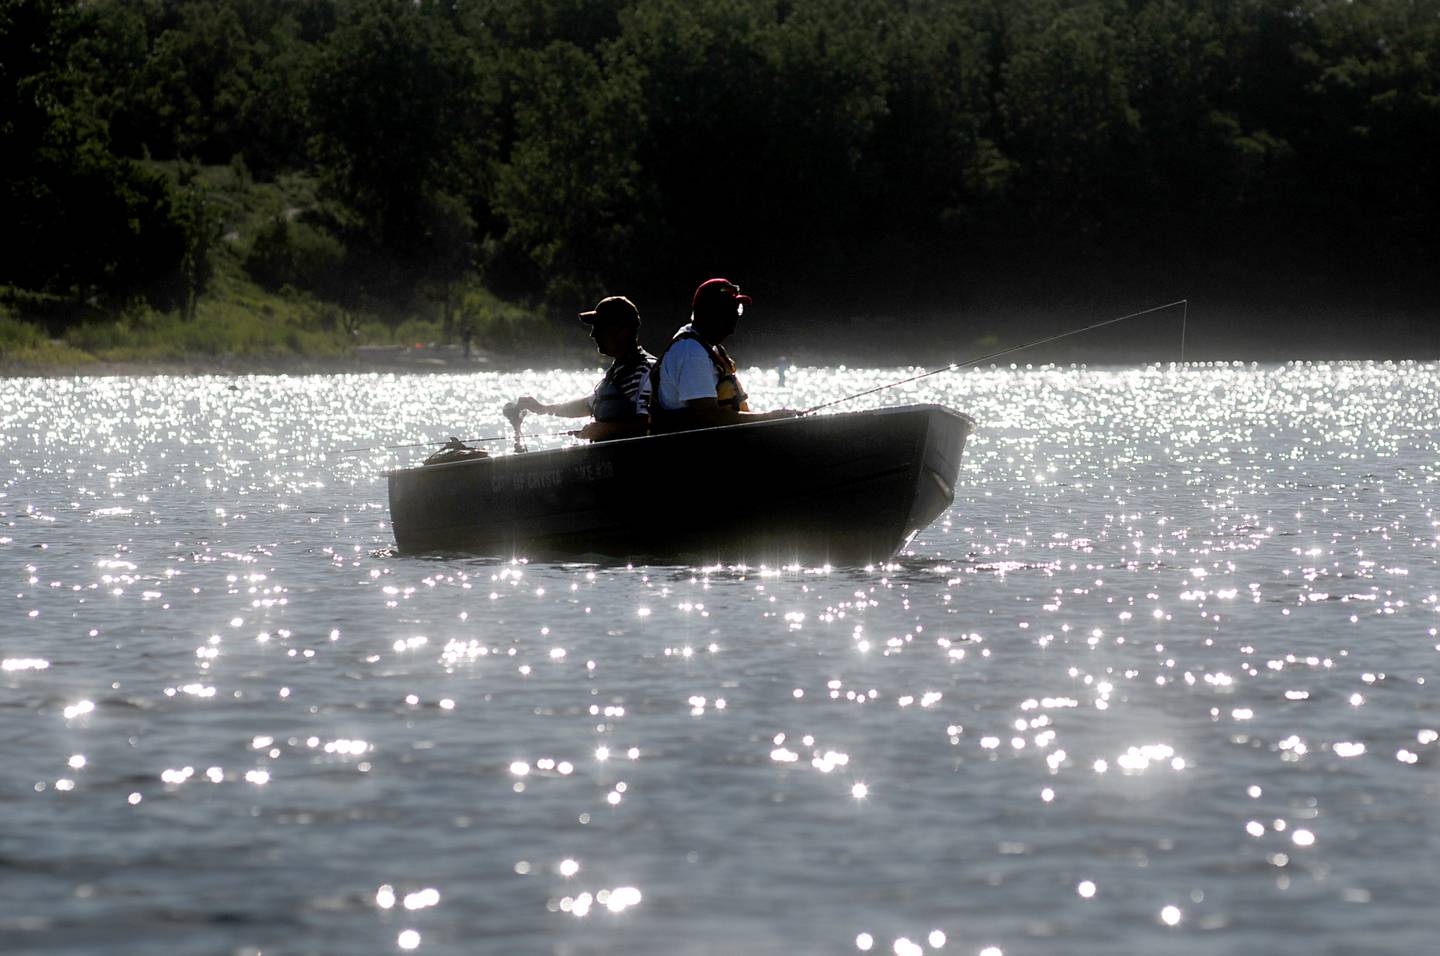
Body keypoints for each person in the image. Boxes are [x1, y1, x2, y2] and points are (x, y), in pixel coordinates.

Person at [651, 278, 797, 432]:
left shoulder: (707, 345)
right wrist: (769, 418)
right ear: (710, 312)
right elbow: (708, 416)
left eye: (738, 309)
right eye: (730, 309)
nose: (736, 315)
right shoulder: (691, 352)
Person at [510, 296, 656, 442]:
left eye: (599, 327)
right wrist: (544, 409)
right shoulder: (618, 370)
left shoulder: (647, 370)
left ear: (622, 331)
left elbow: (652, 422)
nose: (592, 334)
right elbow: (588, 405)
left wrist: (605, 429)